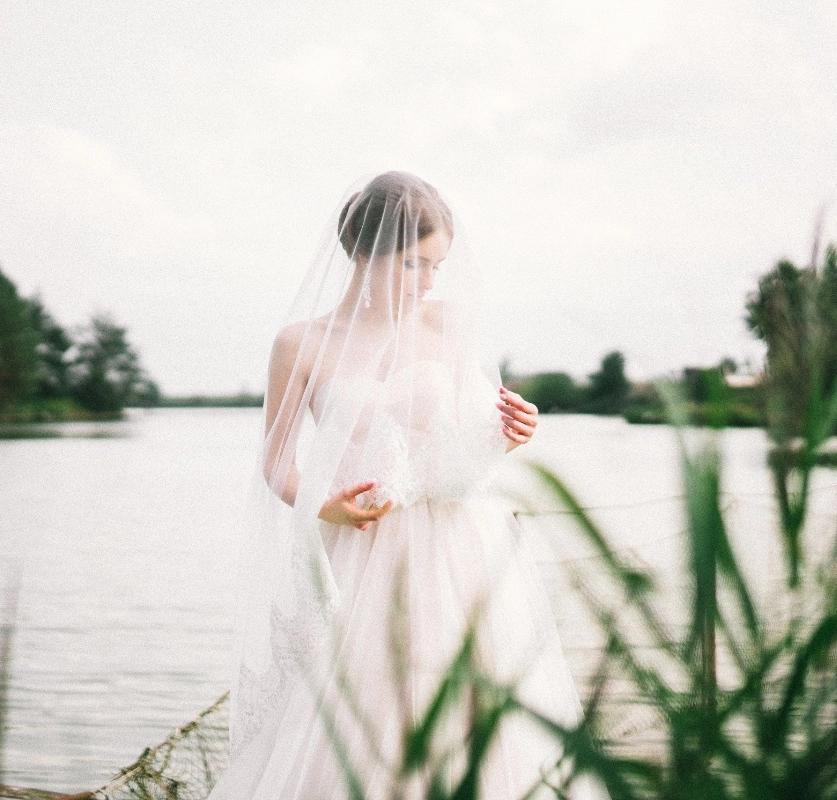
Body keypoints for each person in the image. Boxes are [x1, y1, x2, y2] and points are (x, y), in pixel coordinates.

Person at [208, 172, 593, 799]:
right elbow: (276, 464)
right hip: (363, 551)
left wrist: (513, 431)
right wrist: (323, 506)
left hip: (464, 548)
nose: (428, 282)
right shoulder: (301, 343)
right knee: (361, 718)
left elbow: (470, 442)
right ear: (365, 253)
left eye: (437, 266)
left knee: (477, 715)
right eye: (413, 264)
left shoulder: (448, 325)